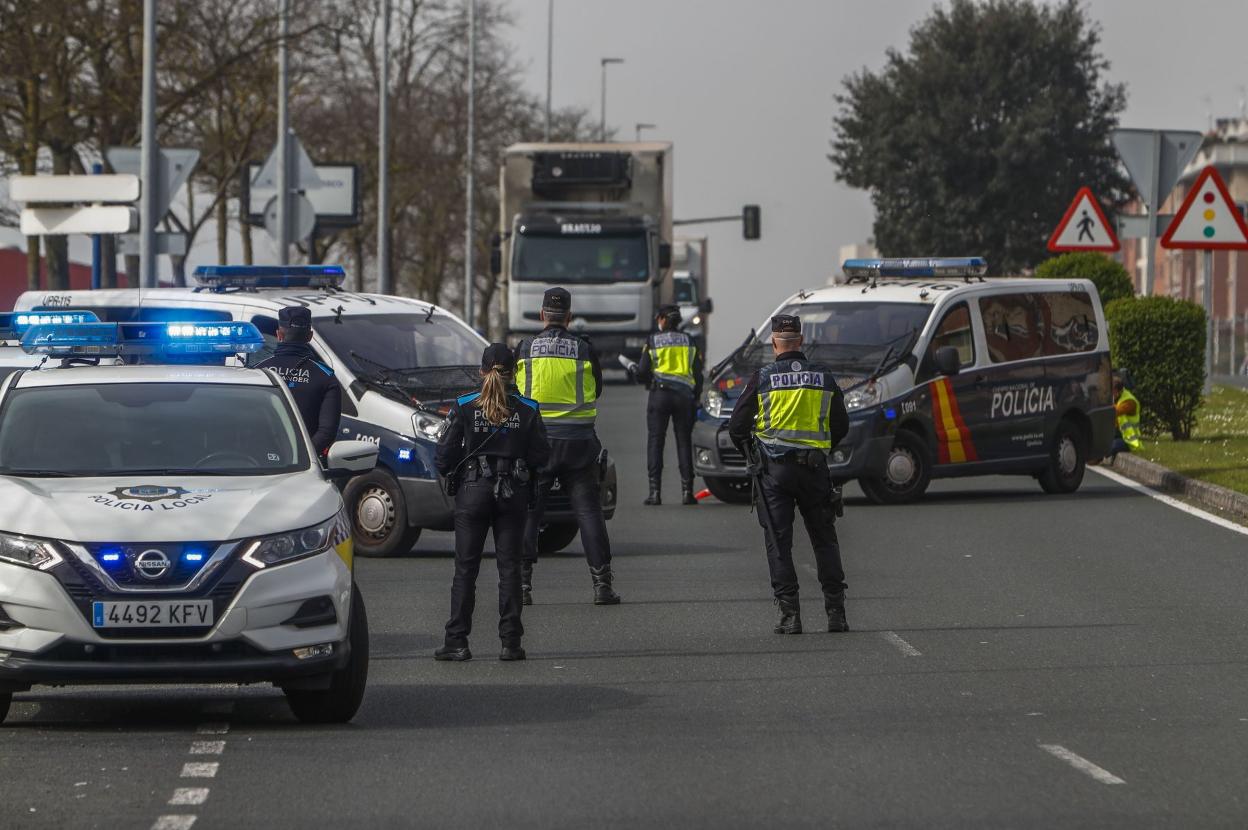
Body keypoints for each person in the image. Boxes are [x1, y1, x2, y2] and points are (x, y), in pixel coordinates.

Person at [727, 314, 850, 635]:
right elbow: (841, 425)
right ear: (801, 340)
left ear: (773, 343)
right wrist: (820, 449)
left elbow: (737, 426)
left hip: (775, 473)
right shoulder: (823, 377)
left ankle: (790, 616)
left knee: (779, 543)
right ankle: (836, 612)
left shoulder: (763, 377)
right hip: (815, 470)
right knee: (824, 540)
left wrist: (753, 453)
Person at [433, 343, 550, 662]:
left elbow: (443, 458)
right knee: (509, 567)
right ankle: (510, 643)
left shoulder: (464, 405)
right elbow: (542, 456)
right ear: (514, 373)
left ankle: (457, 641)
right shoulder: (528, 408)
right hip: (512, 491)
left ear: (482, 371)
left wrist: (465, 461)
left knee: (465, 569)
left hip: (473, 490)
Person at [516, 287, 620, 607]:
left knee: (530, 512)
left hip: (538, 442)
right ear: (570, 318)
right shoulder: (584, 349)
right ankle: (601, 585)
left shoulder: (526, 347)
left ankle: (522, 585)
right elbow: (597, 390)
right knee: (588, 511)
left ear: (542, 315)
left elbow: (514, 392)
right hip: (578, 444)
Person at [633, 304, 703, 505]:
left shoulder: (653, 340)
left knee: (656, 441)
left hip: (660, 396)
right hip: (684, 397)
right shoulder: (690, 341)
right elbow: (697, 373)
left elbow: (643, 371)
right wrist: (696, 397)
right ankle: (687, 492)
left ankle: (655, 493)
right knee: (683, 441)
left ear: (663, 319)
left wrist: (638, 375)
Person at [255, 306, 341, 455]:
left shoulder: (258, 371)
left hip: (259, 462)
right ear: (310, 336)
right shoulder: (325, 376)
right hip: (304, 468)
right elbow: (326, 432)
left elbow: (245, 424)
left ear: (278, 335)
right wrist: (300, 457)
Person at [1110, 374, 1142, 458]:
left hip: (1129, 441)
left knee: (1110, 447)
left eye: (1111, 390)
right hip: (1119, 435)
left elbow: (1114, 412)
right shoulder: (1117, 398)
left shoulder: (1129, 401)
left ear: (1117, 390)